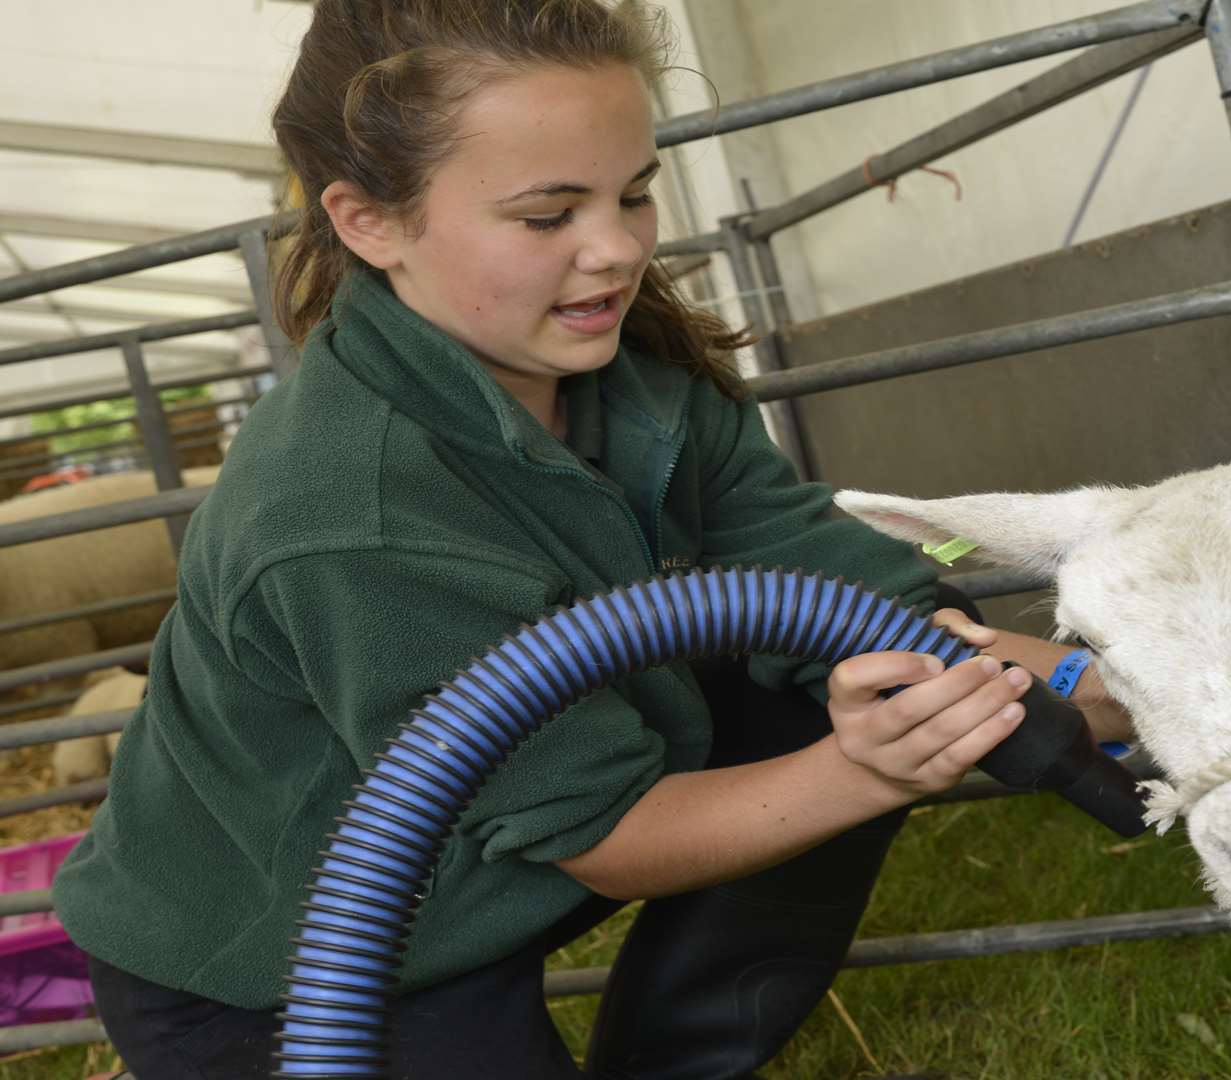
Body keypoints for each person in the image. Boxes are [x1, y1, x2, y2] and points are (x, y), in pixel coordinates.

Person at [50, 2, 1131, 1077]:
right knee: (863, 728)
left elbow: (844, 593)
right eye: (544, 215)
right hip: (289, 958)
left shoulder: (623, 379)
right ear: (369, 220)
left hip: (498, 845)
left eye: (636, 194)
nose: (615, 249)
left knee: (868, 668)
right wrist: (866, 774)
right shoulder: (349, 512)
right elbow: (606, 834)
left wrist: (1136, 685)